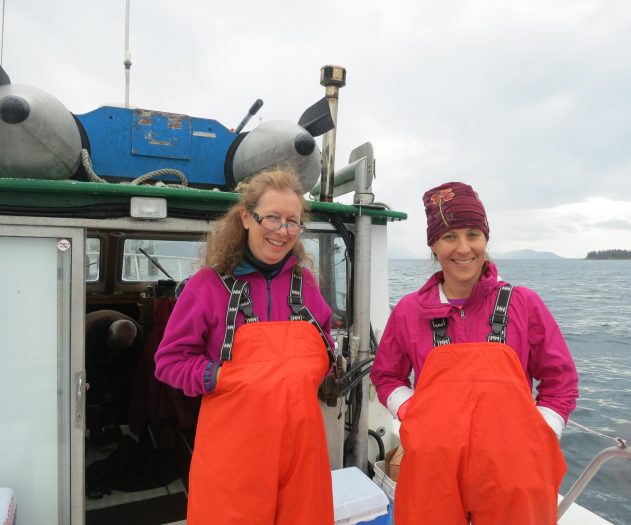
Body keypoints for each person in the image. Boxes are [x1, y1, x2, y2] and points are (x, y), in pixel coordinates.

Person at [370, 181, 579, 525]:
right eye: (450, 237)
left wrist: (542, 430)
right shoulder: (409, 311)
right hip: (433, 471)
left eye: (472, 234)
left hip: (514, 472)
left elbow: (562, 380)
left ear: (486, 240)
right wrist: (412, 411)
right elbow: (386, 376)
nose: (463, 248)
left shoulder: (524, 304)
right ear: (433, 245)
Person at [154, 168, 335, 525]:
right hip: (233, 455)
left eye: (292, 221)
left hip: (302, 453)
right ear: (246, 218)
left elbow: (325, 347)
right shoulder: (207, 286)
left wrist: (304, 372)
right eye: (271, 218)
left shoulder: (306, 283)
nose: (281, 231)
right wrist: (220, 375)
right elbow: (169, 361)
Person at [85, 310, 142, 444]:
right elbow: (90, 373)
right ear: (109, 334)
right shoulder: (90, 335)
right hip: (91, 352)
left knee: (122, 390)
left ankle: (113, 427)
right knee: (93, 393)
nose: (116, 352)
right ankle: (95, 432)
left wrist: (114, 390)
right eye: (115, 346)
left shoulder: (137, 336)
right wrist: (99, 395)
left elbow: (130, 370)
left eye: (121, 349)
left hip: (119, 360)